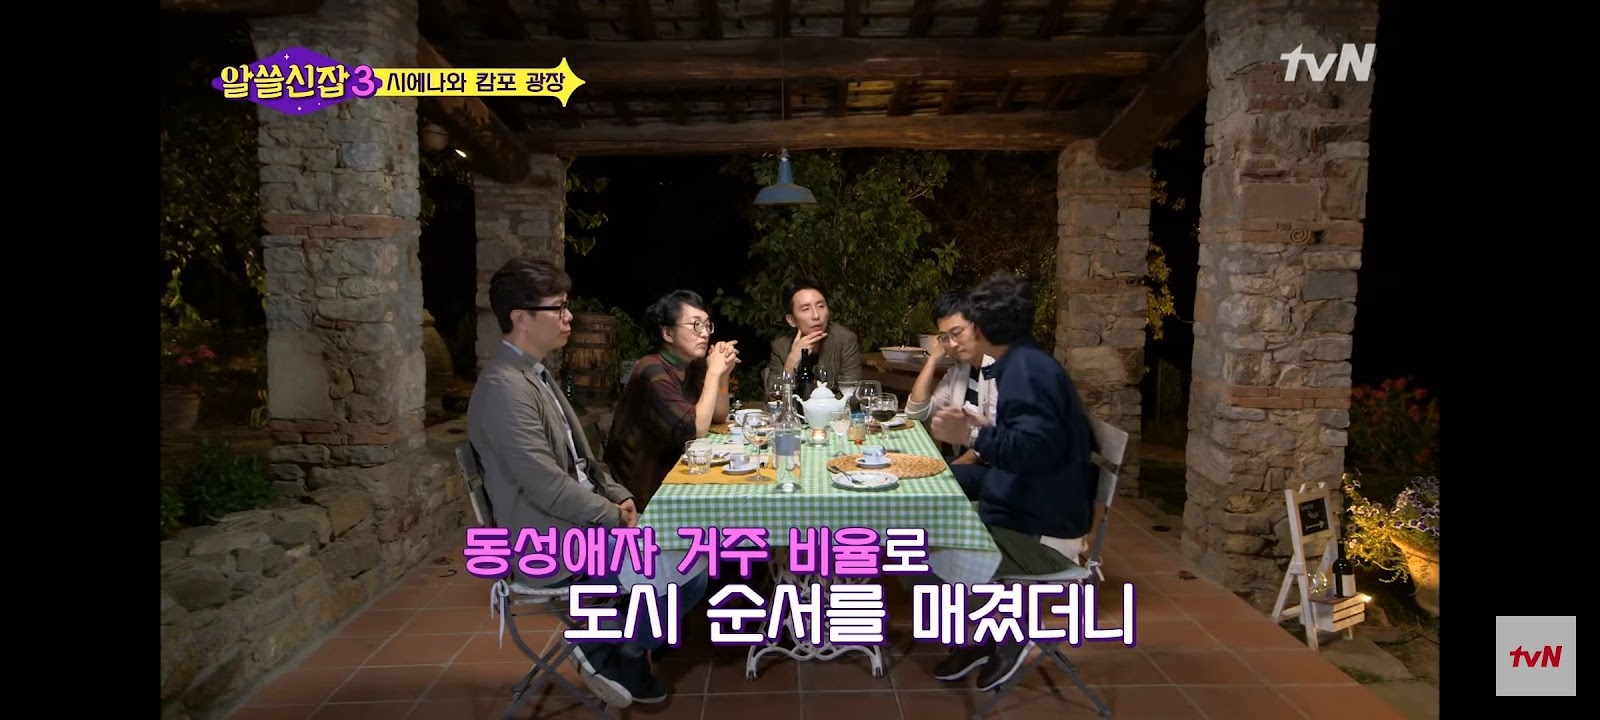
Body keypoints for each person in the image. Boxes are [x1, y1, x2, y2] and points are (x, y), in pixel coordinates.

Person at [467, 258, 708, 709]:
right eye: (558, 308)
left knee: (696, 559)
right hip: (550, 542)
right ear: (521, 318)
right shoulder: (505, 388)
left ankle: (619, 649)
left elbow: (585, 464)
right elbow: (545, 486)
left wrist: (619, 495)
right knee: (690, 565)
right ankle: (606, 645)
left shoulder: (534, 373)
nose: (568, 316)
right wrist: (611, 516)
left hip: (581, 521)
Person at [924, 272, 1100, 693]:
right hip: (1029, 507)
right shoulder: (1023, 362)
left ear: (984, 326)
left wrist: (971, 435)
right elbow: (1036, 440)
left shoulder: (1026, 370)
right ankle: (986, 636)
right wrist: (984, 428)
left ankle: (1009, 635)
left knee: (925, 541)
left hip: (1044, 531)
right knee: (937, 516)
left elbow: (1035, 450)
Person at [606, 289, 740, 511]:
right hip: (642, 492)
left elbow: (717, 415)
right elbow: (696, 428)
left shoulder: (691, 366)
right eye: (695, 325)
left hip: (677, 472)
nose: (704, 333)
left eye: (707, 325)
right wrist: (713, 372)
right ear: (668, 333)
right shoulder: (651, 371)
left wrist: (723, 376)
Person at [903, 290, 997, 475]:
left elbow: (995, 438)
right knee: (909, 466)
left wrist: (950, 470)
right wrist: (932, 360)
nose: (952, 344)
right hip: (970, 461)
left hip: (997, 468)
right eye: (944, 337)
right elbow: (916, 413)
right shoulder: (960, 371)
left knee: (926, 479)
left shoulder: (999, 368)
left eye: (957, 333)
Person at [765, 278, 862, 388]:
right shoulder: (780, 347)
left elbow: (851, 391)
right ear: (791, 320)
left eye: (821, 306)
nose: (816, 315)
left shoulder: (845, 340)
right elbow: (773, 393)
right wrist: (792, 361)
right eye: (806, 309)